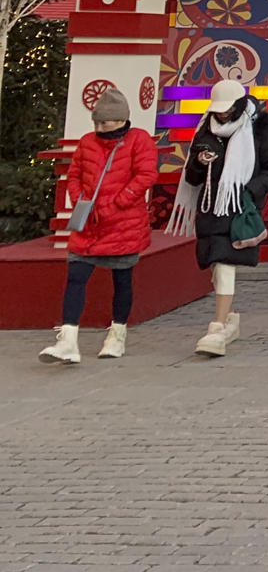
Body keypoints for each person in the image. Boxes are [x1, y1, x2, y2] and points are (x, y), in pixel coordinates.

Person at [39, 87, 158, 364]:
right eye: (97, 122)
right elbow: (75, 174)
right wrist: (80, 198)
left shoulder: (138, 141)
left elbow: (145, 176)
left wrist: (117, 203)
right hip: (89, 224)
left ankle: (117, 333)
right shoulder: (87, 142)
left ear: (121, 120)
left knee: (122, 279)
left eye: (105, 122)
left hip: (123, 223)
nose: (100, 127)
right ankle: (68, 339)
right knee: (76, 276)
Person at [170, 79, 268, 357]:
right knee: (213, 262)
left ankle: (217, 326)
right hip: (209, 205)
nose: (221, 114)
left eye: (226, 108)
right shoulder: (205, 127)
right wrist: (199, 162)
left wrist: (249, 190)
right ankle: (230, 318)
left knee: (224, 262)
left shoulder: (260, 125)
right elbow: (192, 176)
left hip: (238, 205)